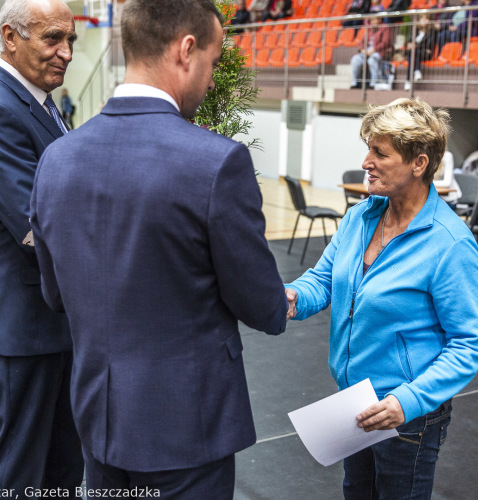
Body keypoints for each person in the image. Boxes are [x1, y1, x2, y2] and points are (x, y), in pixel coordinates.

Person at [30, 0, 288, 497]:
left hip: (97, 419)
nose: (212, 81)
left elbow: (55, 293)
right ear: (186, 50)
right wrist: (280, 302)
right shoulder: (216, 162)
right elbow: (260, 303)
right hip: (185, 430)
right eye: (212, 63)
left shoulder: (56, 160)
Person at [286, 98, 478, 499]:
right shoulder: (361, 217)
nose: (366, 161)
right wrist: (291, 295)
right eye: (368, 149)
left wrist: (407, 401)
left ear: (419, 163)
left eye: (380, 152)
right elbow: (323, 279)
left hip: (407, 418)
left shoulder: (449, 244)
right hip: (354, 403)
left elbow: (469, 343)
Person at [0, 0, 83, 497]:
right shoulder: (4, 107)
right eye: (53, 38)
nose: (67, 52)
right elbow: (36, 228)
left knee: (59, 468)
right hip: (27, 328)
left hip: (53, 325)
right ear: (10, 37)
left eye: (70, 39)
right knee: (20, 473)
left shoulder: (38, 103)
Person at [350, 16, 392, 89]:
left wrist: (374, 50)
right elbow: (361, 42)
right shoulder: (369, 29)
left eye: (374, 19)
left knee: (372, 60)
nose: (372, 22)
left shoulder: (385, 27)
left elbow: (386, 42)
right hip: (366, 52)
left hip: (379, 52)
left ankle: (373, 83)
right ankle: (354, 82)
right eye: (371, 20)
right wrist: (362, 50)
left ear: (379, 19)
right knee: (355, 59)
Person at [403, 13, 438, 90]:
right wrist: (409, 45)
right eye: (422, 18)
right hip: (415, 53)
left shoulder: (432, 32)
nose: (424, 20)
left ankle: (408, 81)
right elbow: (408, 42)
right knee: (411, 54)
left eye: (426, 18)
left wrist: (415, 46)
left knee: (412, 53)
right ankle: (416, 71)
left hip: (426, 53)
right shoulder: (415, 31)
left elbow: (429, 45)